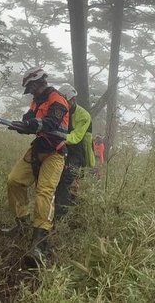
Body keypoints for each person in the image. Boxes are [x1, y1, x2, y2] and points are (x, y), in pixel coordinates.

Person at [2, 66, 70, 265]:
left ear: (39, 82)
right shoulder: (37, 101)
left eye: (31, 87)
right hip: (38, 148)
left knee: (44, 192)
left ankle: (40, 243)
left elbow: (49, 124)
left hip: (55, 153)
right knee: (14, 180)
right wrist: (20, 125)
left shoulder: (58, 100)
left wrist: (31, 125)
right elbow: (29, 119)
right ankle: (21, 223)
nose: (31, 92)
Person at [54, 84, 94, 221]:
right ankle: (63, 208)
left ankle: (61, 214)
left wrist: (59, 137)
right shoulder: (59, 110)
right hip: (60, 146)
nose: (66, 103)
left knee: (67, 178)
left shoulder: (84, 115)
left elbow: (77, 136)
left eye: (68, 100)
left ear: (73, 100)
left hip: (77, 150)